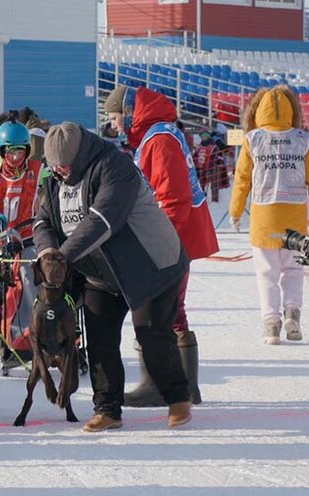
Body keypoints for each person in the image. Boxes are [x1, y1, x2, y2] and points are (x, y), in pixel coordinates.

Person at [34, 122, 192, 432]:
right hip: (100, 273)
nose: (61, 172)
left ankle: (178, 398)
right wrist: (47, 253)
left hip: (151, 265)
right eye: (55, 167)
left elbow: (102, 220)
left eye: (65, 166)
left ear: (78, 156)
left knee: (152, 336)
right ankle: (107, 409)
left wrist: (62, 257)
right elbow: (42, 221)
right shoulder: (52, 177)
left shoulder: (114, 166)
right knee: (100, 340)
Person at [104, 85, 218, 406]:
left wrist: (159, 244)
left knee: (162, 310)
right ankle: (183, 386)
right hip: (175, 234)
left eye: (115, 117)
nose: (113, 125)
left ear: (128, 113)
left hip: (173, 236)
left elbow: (172, 197)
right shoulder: (156, 135)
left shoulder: (159, 139)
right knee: (172, 311)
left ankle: (161, 384)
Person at [228, 85, 309, 345]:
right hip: (294, 216)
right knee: (293, 269)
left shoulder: (253, 139)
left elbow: (242, 181)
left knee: (267, 273)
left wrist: (236, 211)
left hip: (264, 218)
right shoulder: (302, 139)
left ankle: (271, 323)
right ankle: (293, 311)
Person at [0, 115, 49, 370]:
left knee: (29, 282)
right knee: (0, 291)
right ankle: (4, 342)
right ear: (1, 150)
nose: (16, 157)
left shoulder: (36, 170)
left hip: (27, 236)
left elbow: (49, 190)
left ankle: (32, 338)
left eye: (20, 151)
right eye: (11, 151)